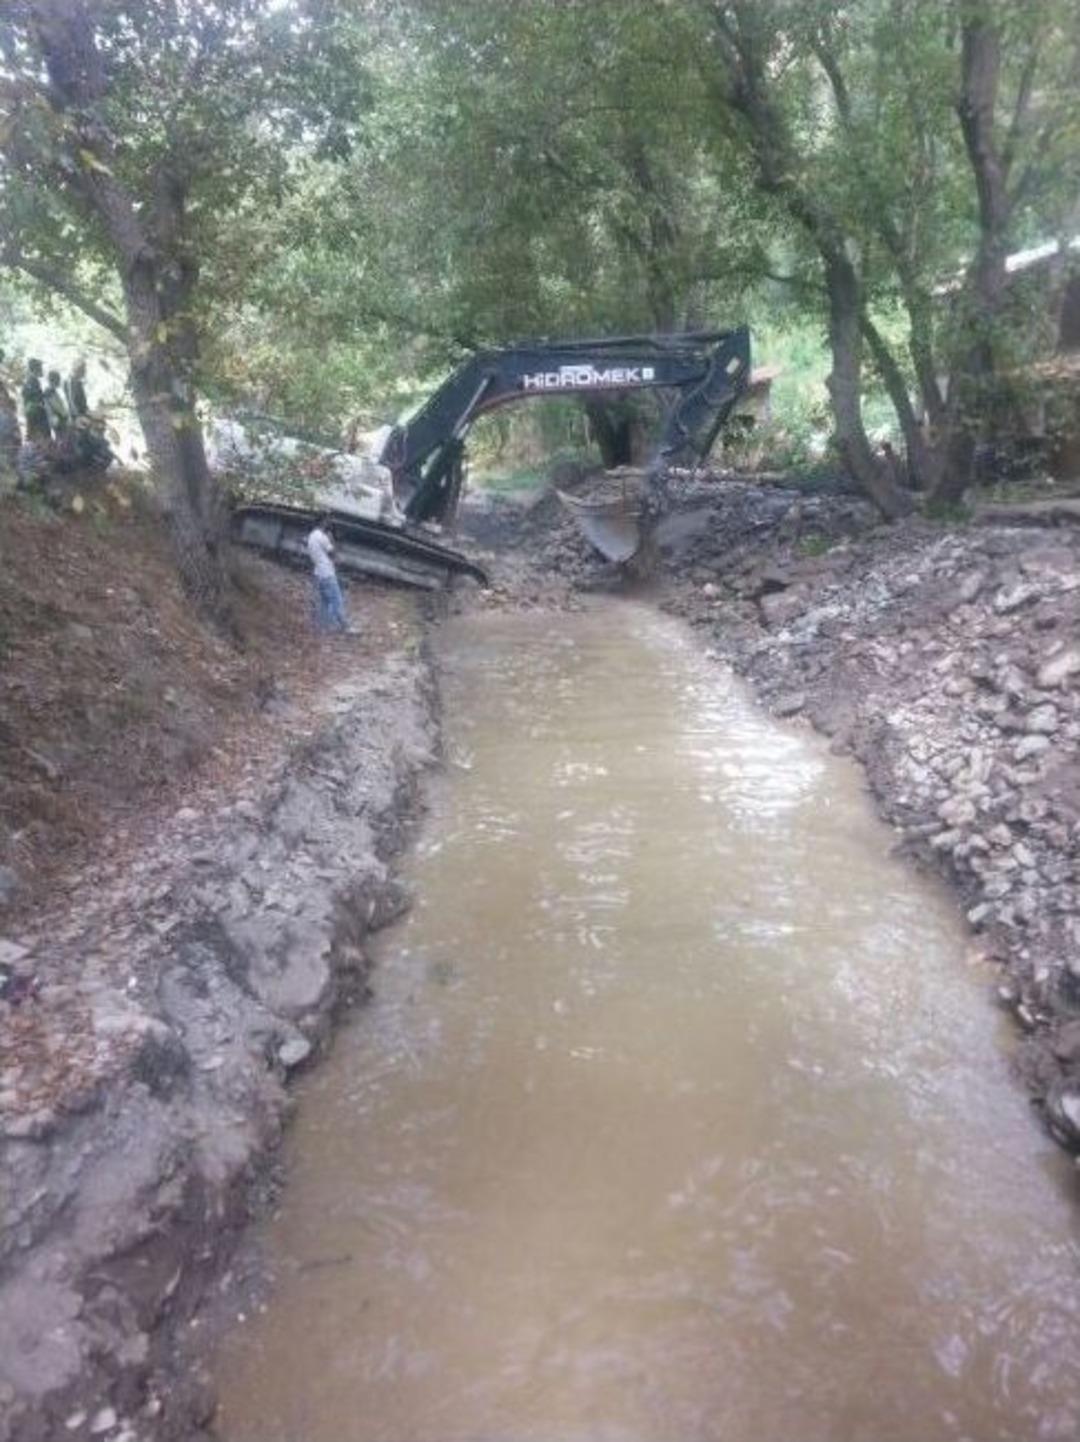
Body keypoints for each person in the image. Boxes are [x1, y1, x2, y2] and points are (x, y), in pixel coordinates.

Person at [307, 516, 349, 632]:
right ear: (323, 522)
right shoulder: (322, 537)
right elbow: (334, 554)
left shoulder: (311, 536)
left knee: (324, 602)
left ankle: (322, 628)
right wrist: (332, 540)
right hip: (327, 573)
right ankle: (345, 627)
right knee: (337, 600)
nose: (329, 524)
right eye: (328, 521)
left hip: (318, 573)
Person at [21, 359, 50, 443]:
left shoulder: (32, 381)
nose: (42, 369)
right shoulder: (31, 382)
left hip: (36, 420)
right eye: (40, 367)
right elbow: (35, 402)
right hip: (38, 422)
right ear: (35, 368)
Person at [43, 369, 69, 437]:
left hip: (57, 420)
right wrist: (65, 414)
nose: (59, 381)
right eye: (58, 379)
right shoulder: (49, 392)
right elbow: (57, 407)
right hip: (58, 421)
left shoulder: (52, 391)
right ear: (55, 380)